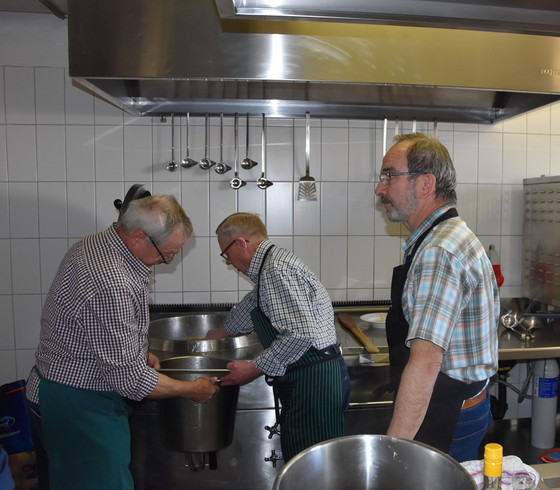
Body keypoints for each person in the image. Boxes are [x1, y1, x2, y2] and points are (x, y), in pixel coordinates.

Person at [25, 194, 219, 490]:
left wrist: (139, 352)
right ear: (138, 236)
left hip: (63, 390)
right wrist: (192, 390)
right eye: (165, 254)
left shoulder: (98, 242)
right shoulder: (110, 281)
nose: (166, 261)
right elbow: (130, 381)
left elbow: (100, 333)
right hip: (79, 406)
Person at [374, 133, 500, 462]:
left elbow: (426, 363)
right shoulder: (443, 235)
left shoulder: (439, 250)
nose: (380, 188)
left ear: (425, 184)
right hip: (459, 401)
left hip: (447, 410)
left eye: (389, 175)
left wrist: (393, 450)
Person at [207, 213, 348, 462]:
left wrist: (254, 367)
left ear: (241, 244)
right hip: (310, 378)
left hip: (314, 381)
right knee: (306, 464)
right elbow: (256, 303)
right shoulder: (270, 266)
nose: (228, 262)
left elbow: (300, 334)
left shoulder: (276, 269)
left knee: (311, 468)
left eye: (226, 254)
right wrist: (223, 332)